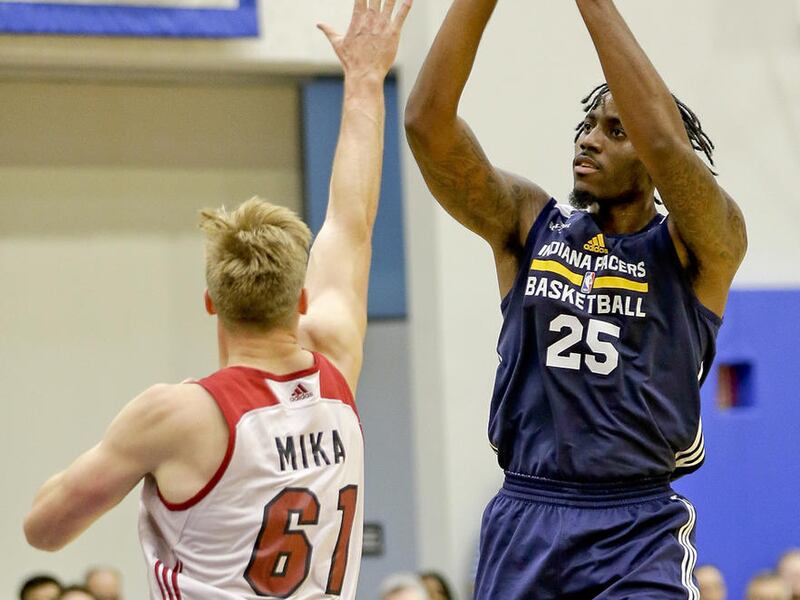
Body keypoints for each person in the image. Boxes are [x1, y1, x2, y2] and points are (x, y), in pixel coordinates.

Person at [22, 0, 411, 598]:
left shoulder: (175, 414)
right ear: (301, 299)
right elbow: (352, 219)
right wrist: (364, 80)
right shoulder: (337, 362)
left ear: (212, 302)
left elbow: (43, 530)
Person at [405, 0, 747, 598]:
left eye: (616, 130)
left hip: (635, 528)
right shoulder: (529, 222)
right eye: (588, 124)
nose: (589, 140)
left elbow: (667, 145)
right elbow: (426, 125)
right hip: (525, 511)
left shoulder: (700, 246)